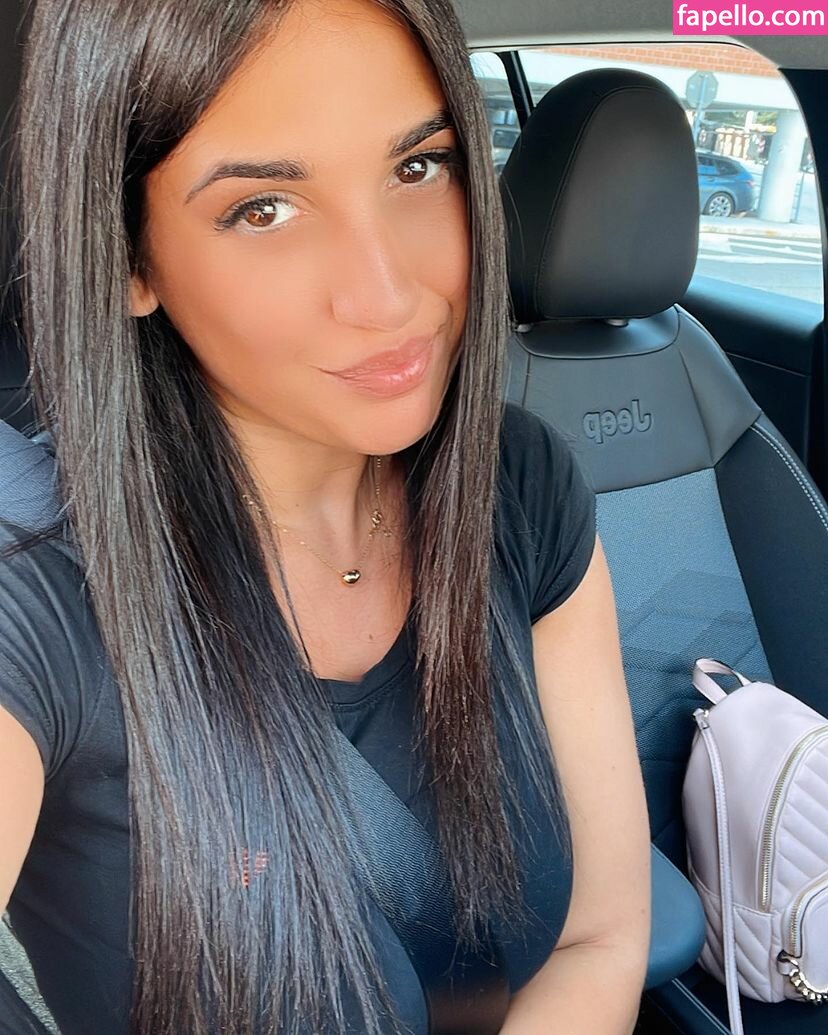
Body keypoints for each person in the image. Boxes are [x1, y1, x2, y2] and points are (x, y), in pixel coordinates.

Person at [0, 0, 651, 1032]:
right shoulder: (34, 592)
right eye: (263, 209)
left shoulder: (517, 483)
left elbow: (598, 937)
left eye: (418, 167)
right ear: (128, 257)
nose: (387, 296)